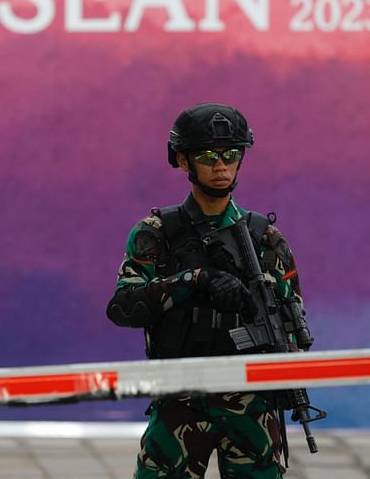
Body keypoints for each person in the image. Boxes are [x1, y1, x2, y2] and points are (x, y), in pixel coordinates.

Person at [106, 103, 308, 479]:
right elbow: (123, 307)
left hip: (251, 402)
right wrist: (193, 282)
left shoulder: (265, 238)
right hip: (181, 397)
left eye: (231, 155)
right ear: (183, 161)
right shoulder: (158, 233)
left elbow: (293, 320)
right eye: (208, 156)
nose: (221, 166)